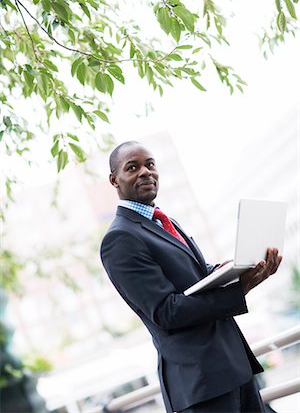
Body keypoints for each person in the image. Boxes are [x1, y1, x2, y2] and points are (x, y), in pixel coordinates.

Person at [100, 141, 282, 413]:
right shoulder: (120, 238)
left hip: (234, 368)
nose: (145, 172)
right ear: (115, 180)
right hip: (203, 385)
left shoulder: (162, 221)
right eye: (133, 167)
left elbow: (195, 278)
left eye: (150, 165)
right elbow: (166, 311)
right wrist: (238, 289)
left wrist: (236, 269)